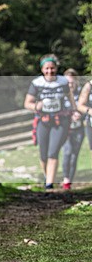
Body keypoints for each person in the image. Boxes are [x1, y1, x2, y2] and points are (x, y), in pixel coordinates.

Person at [24, 54, 76, 190]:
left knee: (53, 152)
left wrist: (74, 110)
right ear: (42, 69)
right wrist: (38, 105)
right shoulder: (36, 83)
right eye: (46, 68)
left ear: (56, 68)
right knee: (43, 154)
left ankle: (49, 185)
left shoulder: (63, 82)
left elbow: (70, 97)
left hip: (60, 121)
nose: (49, 71)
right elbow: (27, 103)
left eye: (52, 68)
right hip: (43, 121)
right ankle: (48, 177)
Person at [60, 69, 85, 190]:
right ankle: (65, 178)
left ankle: (70, 180)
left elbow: (86, 107)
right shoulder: (61, 95)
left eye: (72, 82)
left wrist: (80, 115)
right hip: (65, 129)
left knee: (75, 154)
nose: (70, 85)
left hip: (79, 128)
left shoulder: (81, 94)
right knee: (67, 151)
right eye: (68, 83)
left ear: (76, 81)